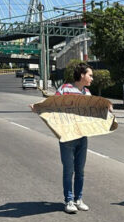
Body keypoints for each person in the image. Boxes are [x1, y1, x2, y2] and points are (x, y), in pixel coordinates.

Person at [40, 63, 94, 214]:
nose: (92, 78)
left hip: (82, 136)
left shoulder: (87, 93)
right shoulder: (64, 89)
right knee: (69, 170)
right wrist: (38, 107)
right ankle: (68, 200)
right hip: (67, 137)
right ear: (82, 75)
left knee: (80, 170)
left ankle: (78, 199)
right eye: (90, 75)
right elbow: (53, 106)